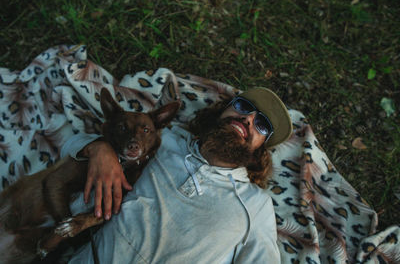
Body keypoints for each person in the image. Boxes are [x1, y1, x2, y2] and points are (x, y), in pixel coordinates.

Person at [62, 87, 293, 263]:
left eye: (261, 124)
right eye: (243, 106)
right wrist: (99, 149)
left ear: (259, 151)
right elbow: (68, 148)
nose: (249, 119)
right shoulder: (166, 141)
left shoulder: (256, 204)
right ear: (222, 110)